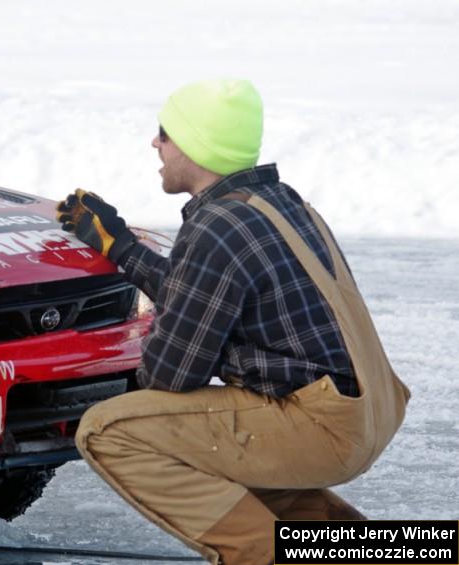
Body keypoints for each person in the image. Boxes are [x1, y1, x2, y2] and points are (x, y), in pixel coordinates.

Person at [56, 79, 410, 565]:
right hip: (362, 411)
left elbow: (169, 376)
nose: (155, 143)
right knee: (220, 437)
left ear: (197, 145)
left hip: (320, 425)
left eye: (165, 132)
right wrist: (121, 248)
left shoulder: (217, 227)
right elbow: (200, 294)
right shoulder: (274, 202)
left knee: (110, 430)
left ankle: (261, 556)